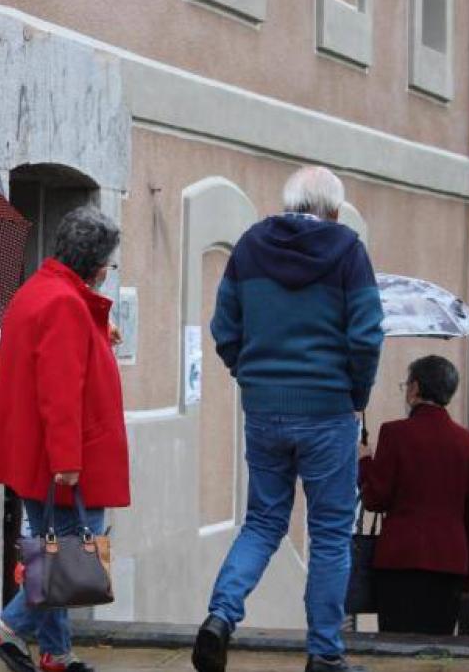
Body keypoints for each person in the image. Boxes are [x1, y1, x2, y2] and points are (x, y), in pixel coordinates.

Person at [193, 166, 385, 672]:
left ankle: (220, 616)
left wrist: (250, 375)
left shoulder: (251, 246)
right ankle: (324, 654)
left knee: (262, 522)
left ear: (287, 202)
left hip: (264, 409)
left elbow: (223, 327)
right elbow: (366, 336)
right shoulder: (348, 252)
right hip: (328, 411)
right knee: (327, 533)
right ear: (335, 211)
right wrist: (356, 395)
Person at [0, 207, 131, 672]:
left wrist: (98, 331)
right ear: (97, 264)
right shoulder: (64, 303)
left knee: (53, 549)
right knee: (69, 559)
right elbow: (60, 391)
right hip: (61, 456)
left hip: (34, 454)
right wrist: (67, 459)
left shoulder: (42, 290)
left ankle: (56, 654)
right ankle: (4, 628)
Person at [359, 355, 469, 635]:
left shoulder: (395, 433)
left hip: (399, 562)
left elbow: (375, 499)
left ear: (415, 388)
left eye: (406, 385)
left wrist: (364, 462)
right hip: (450, 566)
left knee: (396, 649)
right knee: (436, 651)